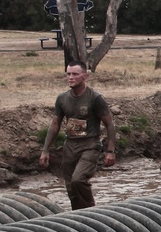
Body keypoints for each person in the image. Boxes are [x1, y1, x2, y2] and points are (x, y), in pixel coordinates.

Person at [39, 60, 118, 210]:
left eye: (75, 74)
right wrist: (45, 150)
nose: (70, 77)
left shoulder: (95, 98)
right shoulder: (62, 99)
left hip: (90, 145)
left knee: (78, 180)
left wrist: (110, 151)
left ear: (85, 76)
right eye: (68, 74)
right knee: (70, 187)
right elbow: (55, 125)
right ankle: (77, 216)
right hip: (70, 146)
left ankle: (91, 212)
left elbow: (109, 124)